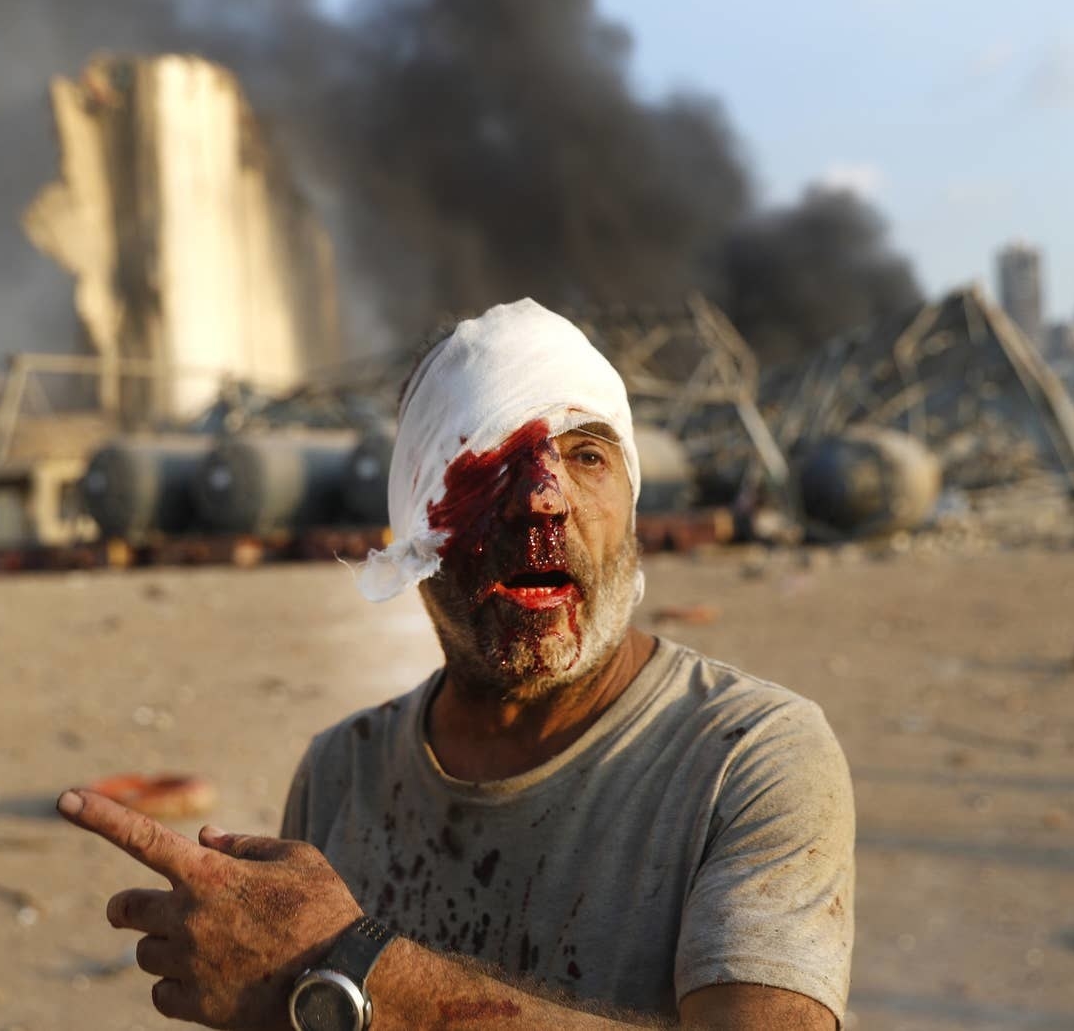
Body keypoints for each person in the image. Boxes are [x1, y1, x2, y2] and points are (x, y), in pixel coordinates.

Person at [60, 299, 855, 1030]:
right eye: (486, 458)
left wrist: (338, 969)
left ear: (632, 505)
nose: (545, 498)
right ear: (414, 531)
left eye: (587, 456)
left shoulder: (750, 757)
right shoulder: (343, 770)